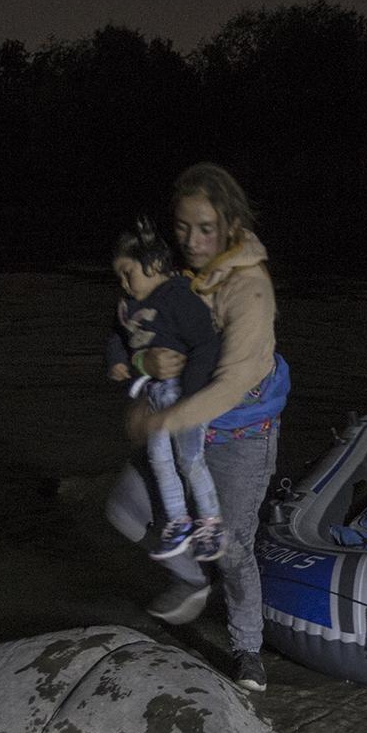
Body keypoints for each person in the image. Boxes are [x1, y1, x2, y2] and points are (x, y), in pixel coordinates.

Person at [104, 163, 289, 693]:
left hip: (238, 438)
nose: (191, 240)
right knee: (123, 507)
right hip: (183, 428)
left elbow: (230, 384)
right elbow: (128, 332)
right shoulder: (178, 280)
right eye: (182, 228)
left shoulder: (250, 291)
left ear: (230, 223)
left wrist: (159, 417)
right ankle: (190, 580)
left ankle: (248, 649)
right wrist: (143, 366)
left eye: (205, 228)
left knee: (233, 547)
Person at [104, 217, 226, 563]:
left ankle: (211, 524)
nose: (125, 283)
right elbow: (117, 335)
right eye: (120, 277)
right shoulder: (129, 306)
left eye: (129, 273)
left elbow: (205, 344)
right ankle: (178, 521)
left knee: (190, 460)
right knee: (159, 460)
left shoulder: (178, 298)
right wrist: (116, 360)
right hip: (155, 396)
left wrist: (191, 396)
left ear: (155, 265)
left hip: (182, 396)